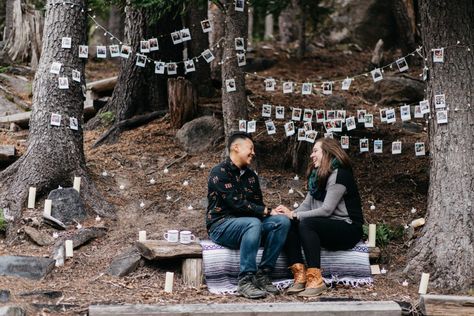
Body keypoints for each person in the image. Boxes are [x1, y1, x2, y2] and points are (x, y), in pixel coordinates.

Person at [206, 132, 291, 299]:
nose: (254, 152)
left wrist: (274, 214)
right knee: (252, 222)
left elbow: (257, 206)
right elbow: (236, 203)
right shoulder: (219, 172)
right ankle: (245, 280)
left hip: (251, 226)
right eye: (250, 148)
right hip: (221, 226)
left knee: (281, 222)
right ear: (236, 147)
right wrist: (266, 211)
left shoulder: (251, 176)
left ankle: (263, 275)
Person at [276, 137, 364, 297]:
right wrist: (288, 215)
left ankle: (316, 279)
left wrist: (295, 214)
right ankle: (300, 276)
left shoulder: (340, 175)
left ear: (328, 153)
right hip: (326, 226)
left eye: (315, 151)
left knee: (306, 224)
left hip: (348, 228)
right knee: (288, 223)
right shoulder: (317, 177)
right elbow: (306, 205)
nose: (311, 155)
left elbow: (326, 210)